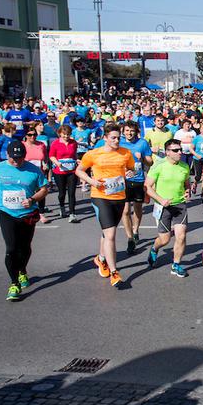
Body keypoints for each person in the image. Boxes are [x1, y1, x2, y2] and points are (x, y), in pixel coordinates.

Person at [0, 141, 48, 301]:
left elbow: (44, 189)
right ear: (7, 155)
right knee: (11, 248)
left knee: (25, 247)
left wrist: (33, 199)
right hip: (7, 212)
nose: (16, 161)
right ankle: (14, 283)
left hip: (27, 214)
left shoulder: (33, 170)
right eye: (13, 158)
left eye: (20, 158)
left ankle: (22, 271)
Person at [76, 123, 136, 288]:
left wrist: (132, 172)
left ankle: (100, 259)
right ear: (105, 138)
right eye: (113, 138)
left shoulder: (125, 153)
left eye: (118, 137)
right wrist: (92, 181)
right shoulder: (94, 154)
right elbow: (79, 170)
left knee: (106, 232)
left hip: (119, 196)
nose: (117, 140)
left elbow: (132, 169)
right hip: (100, 197)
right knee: (111, 234)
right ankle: (114, 272)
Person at [144, 138, 192, 277]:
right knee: (165, 240)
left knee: (181, 236)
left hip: (180, 205)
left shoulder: (184, 166)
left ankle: (176, 265)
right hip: (163, 206)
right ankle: (154, 248)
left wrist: (187, 190)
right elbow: (147, 187)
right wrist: (160, 200)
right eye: (175, 150)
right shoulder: (158, 166)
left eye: (180, 150)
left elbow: (186, 183)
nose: (179, 152)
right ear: (167, 152)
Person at [116, 120, 153, 255]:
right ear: (123, 131)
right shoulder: (119, 143)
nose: (129, 133)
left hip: (138, 180)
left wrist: (142, 157)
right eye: (126, 130)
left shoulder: (142, 143)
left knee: (137, 208)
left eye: (131, 130)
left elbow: (150, 161)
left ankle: (136, 230)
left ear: (136, 131)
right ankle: (130, 238)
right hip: (122, 181)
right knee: (125, 211)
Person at [49, 125, 79, 221]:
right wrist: (57, 163)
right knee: (62, 193)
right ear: (60, 134)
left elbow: (74, 154)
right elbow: (51, 156)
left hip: (71, 170)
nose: (66, 137)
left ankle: (72, 213)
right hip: (59, 171)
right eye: (64, 135)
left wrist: (77, 160)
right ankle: (62, 207)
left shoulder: (73, 143)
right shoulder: (55, 143)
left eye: (68, 135)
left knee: (72, 192)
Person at [22, 129, 51, 222]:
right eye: (30, 135)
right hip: (26, 172)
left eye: (34, 135)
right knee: (28, 193)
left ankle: (41, 214)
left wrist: (45, 163)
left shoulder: (41, 145)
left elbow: (45, 156)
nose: (32, 137)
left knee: (41, 192)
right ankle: (26, 212)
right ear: (26, 136)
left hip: (39, 172)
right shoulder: (22, 145)